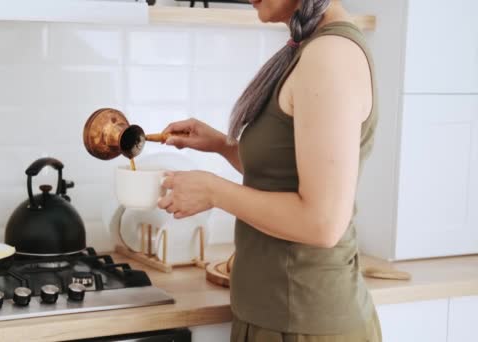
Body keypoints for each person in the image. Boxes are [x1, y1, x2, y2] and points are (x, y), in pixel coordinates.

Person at [157, 0, 382, 341]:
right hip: (275, 317)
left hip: (304, 323)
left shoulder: (330, 55)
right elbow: (286, 174)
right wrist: (222, 145)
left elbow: (321, 223)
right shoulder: (312, 48)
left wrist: (214, 191)